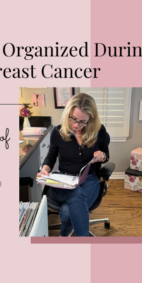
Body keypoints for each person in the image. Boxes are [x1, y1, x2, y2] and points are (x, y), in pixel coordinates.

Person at [37, 93, 109, 236]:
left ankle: (63, 236)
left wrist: (102, 156)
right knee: (75, 194)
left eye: (83, 121)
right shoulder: (58, 132)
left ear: (91, 119)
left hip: (89, 180)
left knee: (66, 212)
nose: (76, 125)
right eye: (73, 119)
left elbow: (106, 155)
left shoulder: (99, 131)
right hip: (63, 181)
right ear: (68, 113)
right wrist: (45, 170)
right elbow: (50, 158)